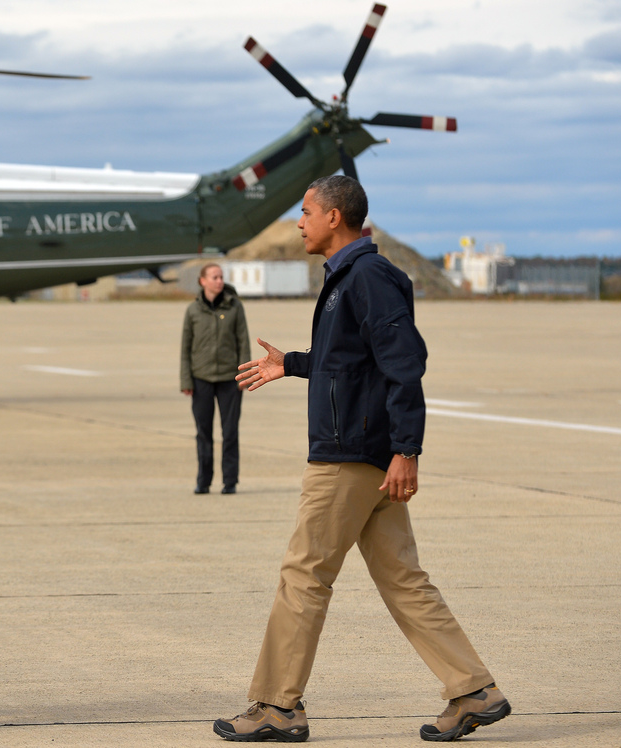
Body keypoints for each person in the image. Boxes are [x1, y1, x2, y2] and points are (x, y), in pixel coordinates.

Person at [213, 176, 510, 743]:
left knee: (304, 575)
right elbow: (351, 362)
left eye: (305, 212)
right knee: (403, 579)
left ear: (334, 218)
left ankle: (278, 706)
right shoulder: (348, 279)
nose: (298, 222)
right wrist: (294, 364)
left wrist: (407, 450)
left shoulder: (368, 277)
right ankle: (473, 689)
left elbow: (404, 363)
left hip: (350, 458)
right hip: (364, 453)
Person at [180, 263, 250, 494]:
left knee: (230, 432)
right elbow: (185, 348)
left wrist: (244, 376)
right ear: (203, 281)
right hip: (201, 378)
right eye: (214, 277)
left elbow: (243, 341)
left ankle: (230, 481)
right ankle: (204, 480)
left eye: (221, 277)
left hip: (230, 379)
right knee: (204, 433)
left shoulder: (235, 307)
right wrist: (186, 381)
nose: (219, 281)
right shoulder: (192, 311)